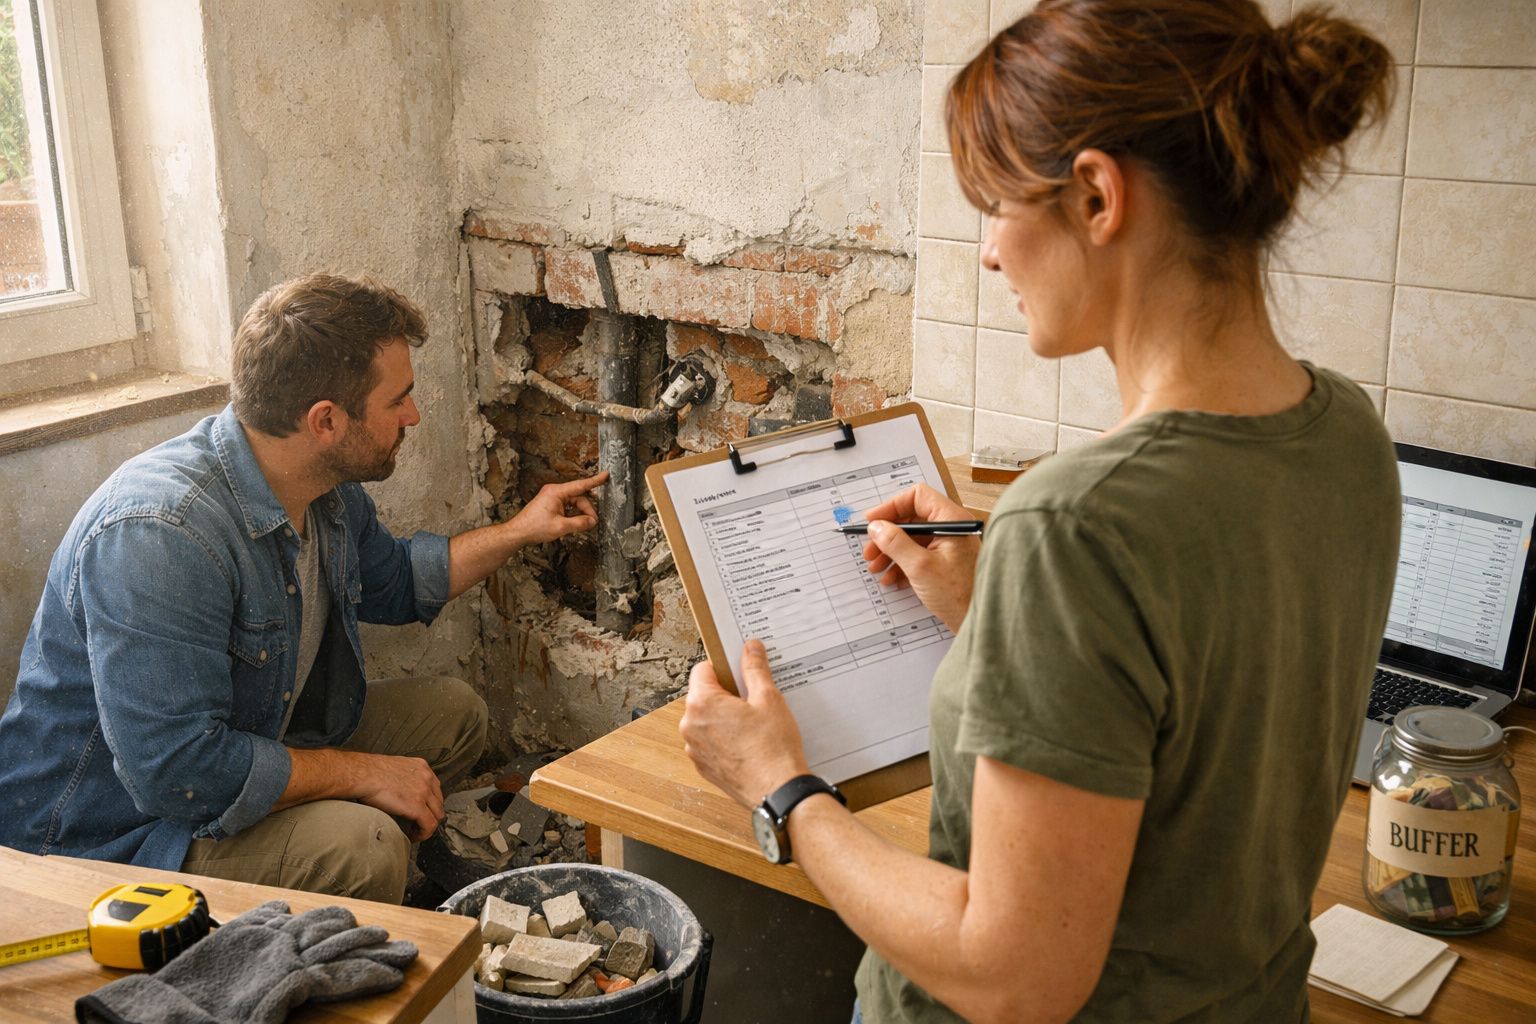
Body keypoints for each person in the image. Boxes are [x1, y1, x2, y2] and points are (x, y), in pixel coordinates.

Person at [679, 2, 1402, 1021]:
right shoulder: (1346, 437)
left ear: (1099, 197)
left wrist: (780, 787)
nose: (987, 254)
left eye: (997, 206)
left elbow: (1012, 974)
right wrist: (994, 623)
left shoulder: (1073, 526)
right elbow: (1184, 741)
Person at [0, 273, 606, 904]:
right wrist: (362, 773)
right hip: (116, 835)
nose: (414, 415)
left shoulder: (323, 490)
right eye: (398, 400)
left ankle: (334, 865)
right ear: (326, 421)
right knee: (361, 846)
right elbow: (176, 773)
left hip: (243, 748)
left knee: (453, 716)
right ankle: (346, 896)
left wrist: (519, 530)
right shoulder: (161, 535)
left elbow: (397, 583)